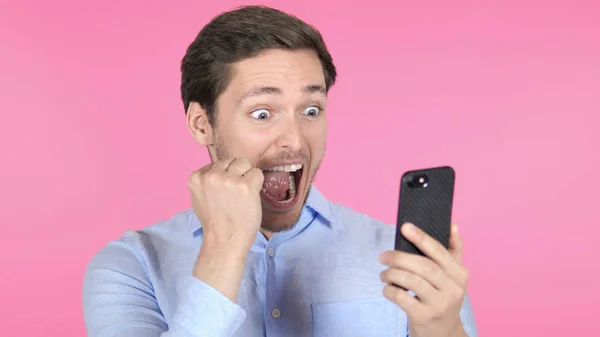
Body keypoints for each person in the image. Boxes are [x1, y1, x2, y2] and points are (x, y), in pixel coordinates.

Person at [82, 5, 478, 337]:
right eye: (262, 113)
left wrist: (443, 327)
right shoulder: (130, 265)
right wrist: (223, 249)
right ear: (202, 124)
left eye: (310, 111)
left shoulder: (402, 261)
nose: (293, 139)